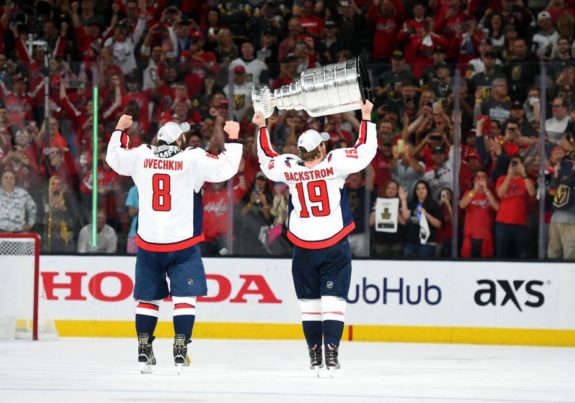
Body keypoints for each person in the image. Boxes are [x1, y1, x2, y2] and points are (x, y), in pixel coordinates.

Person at [106, 114, 242, 373]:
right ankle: (181, 344)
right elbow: (227, 168)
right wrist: (233, 139)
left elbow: (114, 157)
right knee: (185, 297)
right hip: (182, 243)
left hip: (148, 243)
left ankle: (144, 345)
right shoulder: (192, 158)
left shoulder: (140, 155)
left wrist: (120, 130)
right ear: (180, 140)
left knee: (148, 299)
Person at [252, 100, 376, 373]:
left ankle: (314, 354)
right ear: (321, 148)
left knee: (309, 305)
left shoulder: (290, 168)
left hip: (303, 249)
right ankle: (331, 353)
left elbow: (266, 159)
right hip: (334, 246)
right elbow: (366, 151)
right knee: (334, 303)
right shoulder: (336, 163)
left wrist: (262, 126)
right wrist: (366, 117)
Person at [0, 169, 37, 233]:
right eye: (6, 178)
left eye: (12, 178)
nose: (9, 180)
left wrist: (31, 223)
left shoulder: (22, 193)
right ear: (1, 180)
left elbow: (33, 208)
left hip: (19, 233)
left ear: (15, 180)